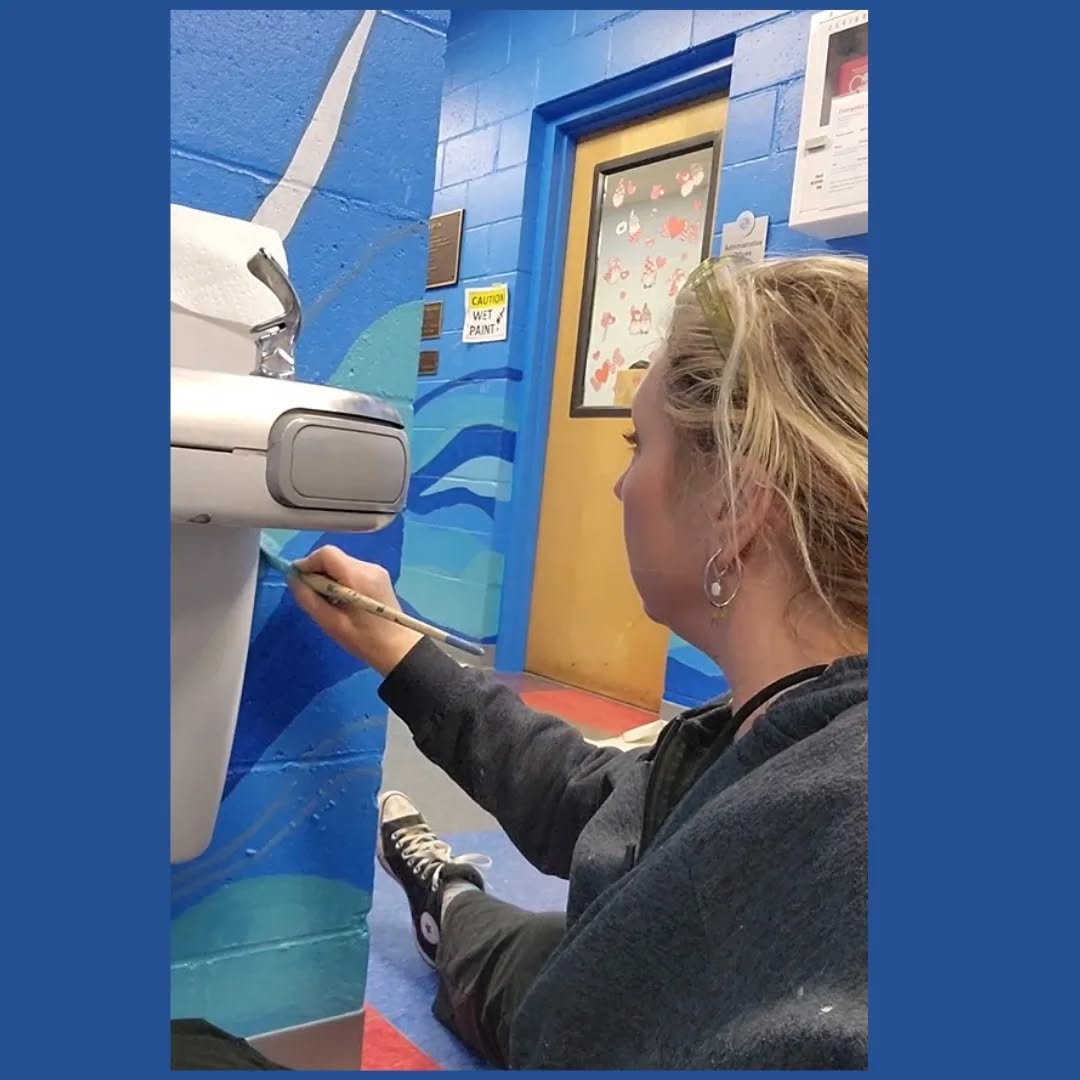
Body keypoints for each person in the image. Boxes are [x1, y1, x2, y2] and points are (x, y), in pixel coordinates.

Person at [290, 254, 869, 1070]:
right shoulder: (782, 736)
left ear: (735, 505)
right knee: (508, 943)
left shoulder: (839, 844)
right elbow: (604, 809)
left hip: (609, 991)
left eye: (639, 446)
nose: (621, 487)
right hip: (619, 962)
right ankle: (449, 890)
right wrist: (395, 644)